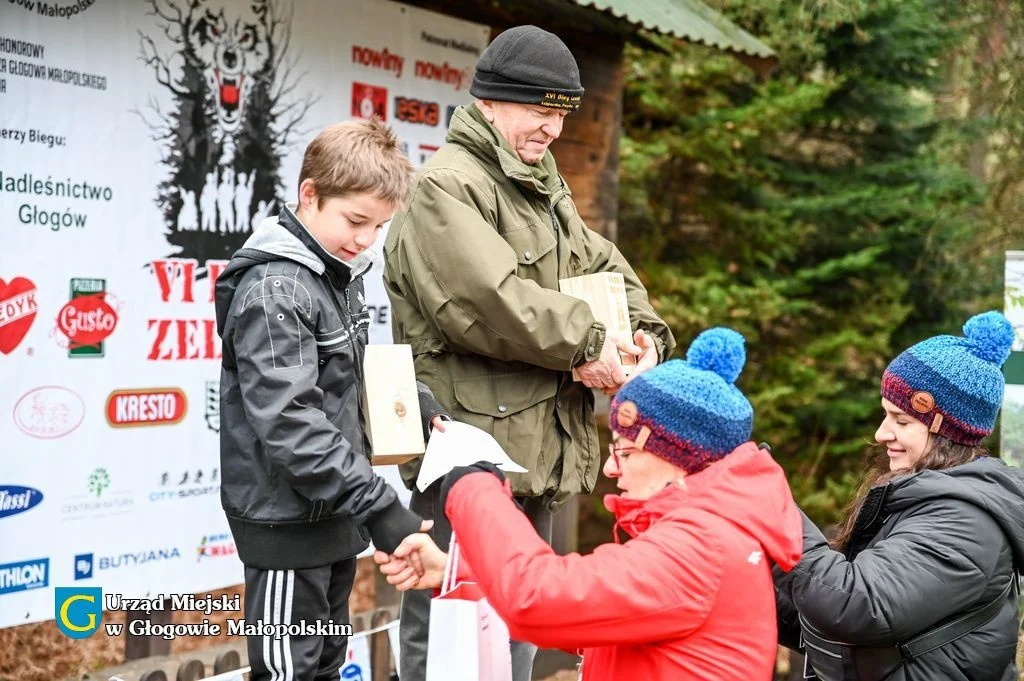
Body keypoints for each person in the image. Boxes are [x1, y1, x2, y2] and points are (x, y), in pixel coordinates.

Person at [383, 24, 676, 681]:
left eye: (561, 115)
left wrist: (643, 334)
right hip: (467, 460)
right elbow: (491, 299)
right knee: (453, 644)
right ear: (490, 102)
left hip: (532, 454)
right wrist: (590, 342)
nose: (553, 130)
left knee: (513, 635)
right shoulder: (446, 189)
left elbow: (599, 264)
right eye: (540, 112)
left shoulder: (539, 184)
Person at [376, 328, 804, 680]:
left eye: (626, 451)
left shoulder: (698, 547)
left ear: (680, 459)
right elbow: (599, 615)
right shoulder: (717, 533)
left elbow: (538, 598)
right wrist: (458, 572)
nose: (613, 470)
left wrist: (472, 482)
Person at [214, 119, 447, 681]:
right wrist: (379, 506)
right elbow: (292, 424)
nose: (367, 239)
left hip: (335, 515)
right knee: (288, 671)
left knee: (324, 667)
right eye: (356, 220)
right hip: (287, 526)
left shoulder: (336, 272)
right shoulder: (276, 288)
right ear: (309, 194)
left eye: (380, 226)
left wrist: (417, 405)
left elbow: (352, 375)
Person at [774, 311, 1024, 681]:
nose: (880, 433)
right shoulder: (918, 498)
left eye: (901, 421)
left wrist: (770, 505)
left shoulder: (966, 523)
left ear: (945, 430)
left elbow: (855, 606)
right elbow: (822, 621)